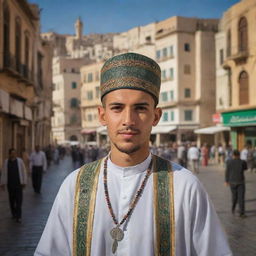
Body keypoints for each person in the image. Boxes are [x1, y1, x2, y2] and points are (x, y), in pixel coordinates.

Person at [35, 53, 231, 256]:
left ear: (156, 116)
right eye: (117, 108)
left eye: (140, 108)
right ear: (103, 115)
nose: (128, 120)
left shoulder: (185, 187)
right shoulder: (74, 186)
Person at [0, 148, 27, 223]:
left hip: (18, 184)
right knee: (12, 200)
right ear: (9, 154)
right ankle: (14, 213)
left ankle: (19, 216)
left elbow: (23, 171)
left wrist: (24, 181)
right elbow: (4, 173)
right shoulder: (6, 162)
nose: (13, 154)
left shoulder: (20, 161)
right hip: (10, 185)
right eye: (12, 153)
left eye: (14, 153)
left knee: (19, 201)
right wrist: (2, 183)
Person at [225, 149, 247, 218]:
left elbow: (227, 172)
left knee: (234, 196)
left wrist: (226, 181)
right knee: (241, 197)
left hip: (232, 182)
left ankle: (233, 208)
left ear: (233, 155)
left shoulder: (229, 162)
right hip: (240, 181)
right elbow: (245, 168)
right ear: (239, 155)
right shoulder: (243, 162)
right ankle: (242, 213)